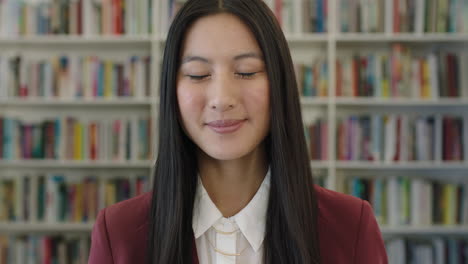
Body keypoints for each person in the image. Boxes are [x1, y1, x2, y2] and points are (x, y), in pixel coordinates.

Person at [88, 0, 388, 263]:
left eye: (246, 71)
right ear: (172, 91)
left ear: (279, 83)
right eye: (198, 74)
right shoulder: (119, 232)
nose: (221, 99)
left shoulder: (351, 226)